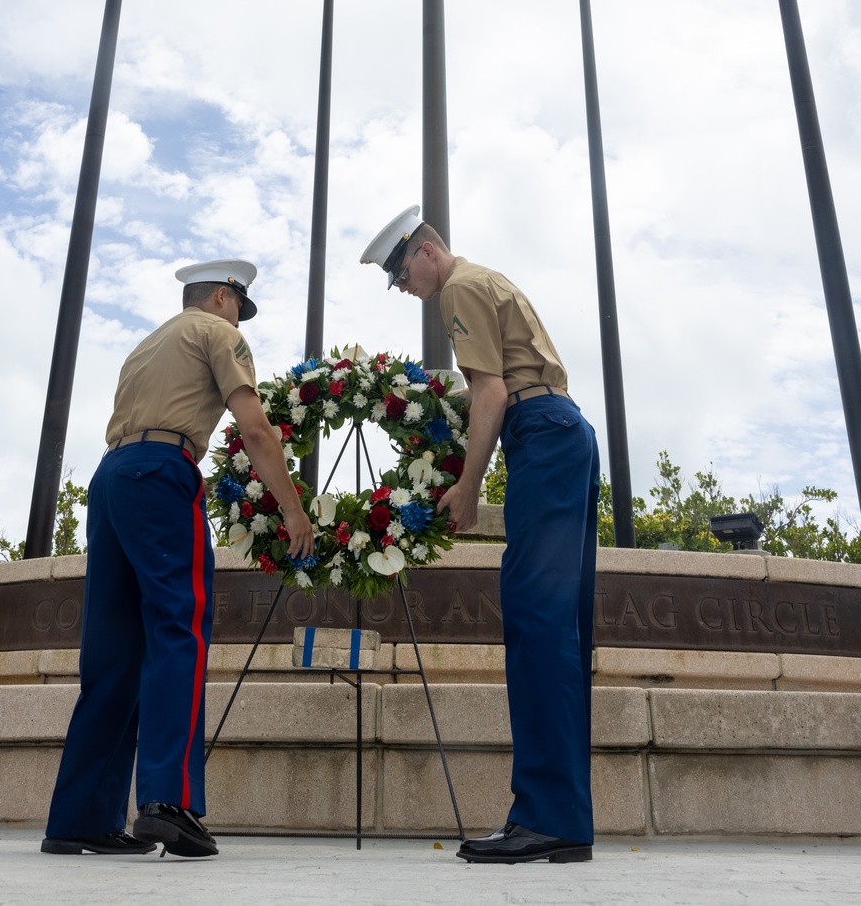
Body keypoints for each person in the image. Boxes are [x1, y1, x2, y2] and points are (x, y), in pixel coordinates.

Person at [42, 260, 314, 859]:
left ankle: (79, 818)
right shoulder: (219, 334)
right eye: (240, 306)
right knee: (178, 628)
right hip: (162, 472)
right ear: (223, 297)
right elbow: (255, 429)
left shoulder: (145, 347)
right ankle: (170, 801)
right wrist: (293, 510)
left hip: (110, 476)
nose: (241, 318)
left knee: (113, 651)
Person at [361, 208, 600, 866]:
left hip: (540, 434)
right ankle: (563, 817)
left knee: (536, 620)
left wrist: (467, 486)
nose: (404, 286)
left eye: (401, 270)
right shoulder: (485, 281)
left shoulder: (460, 288)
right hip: (562, 430)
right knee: (560, 628)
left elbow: (489, 393)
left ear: (427, 250)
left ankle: (545, 817)